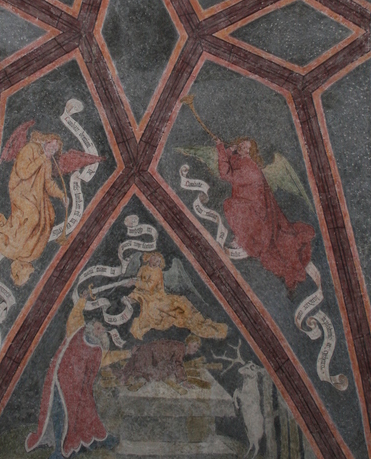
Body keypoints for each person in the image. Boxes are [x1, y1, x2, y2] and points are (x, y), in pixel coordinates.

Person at [0, 124, 101, 285]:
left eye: (56, 149)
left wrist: (61, 195)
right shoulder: (30, 149)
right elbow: (23, 172)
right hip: (20, 190)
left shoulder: (48, 162)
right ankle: (7, 234)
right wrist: (43, 158)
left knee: (50, 216)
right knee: (33, 216)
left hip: (35, 194)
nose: (53, 150)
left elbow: (48, 184)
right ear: (46, 141)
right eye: (52, 146)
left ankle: (27, 249)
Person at [217, 137, 313, 293]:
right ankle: (244, 235)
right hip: (251, 207)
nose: (242, 148)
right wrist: (227, 150)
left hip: (256, 215)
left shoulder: (250, 168)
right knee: (234, 205)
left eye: (246, 148)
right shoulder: (241, 161)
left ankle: (244, 238)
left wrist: (221, 148)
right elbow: (230, 163)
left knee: (231, 205)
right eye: (241, 145)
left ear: (251, 153)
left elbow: (226, 174)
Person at [26, 300, 116, 459]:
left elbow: (102, 363)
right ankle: (60, 451)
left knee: (85, 414)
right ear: (90, 328)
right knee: (61, 415)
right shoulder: (78, 332)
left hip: (79, 389)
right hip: (61, 383)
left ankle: (95, 440)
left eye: (102, 329)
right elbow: (75, 315)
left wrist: (128, 354)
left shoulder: (97, 348)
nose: (101, 331)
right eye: (98, 328)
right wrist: (82, 300)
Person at [126, 252, 227, 341]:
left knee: (180, 311)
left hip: (157, 297)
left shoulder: (157, 272)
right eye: (155, 259)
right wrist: (133, 288)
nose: (156, 262)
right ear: (150, 257)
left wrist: (135, 283)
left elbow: (149, 286)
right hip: (147, 295)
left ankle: (211, 328)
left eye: (158, 261)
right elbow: (139, 281)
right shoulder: (143, 268)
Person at [118, 335, 202, 390]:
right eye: (194, 346)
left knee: (134, 370)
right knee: (137, 372)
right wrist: (184, 381)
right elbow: (177, 364)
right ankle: (123, 381)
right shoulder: (181, 348)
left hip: (148, 352)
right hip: (148, 354)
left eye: (197, 348)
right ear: (189, 343)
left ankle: (124, 380)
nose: (195, 349)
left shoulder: (179, 346)